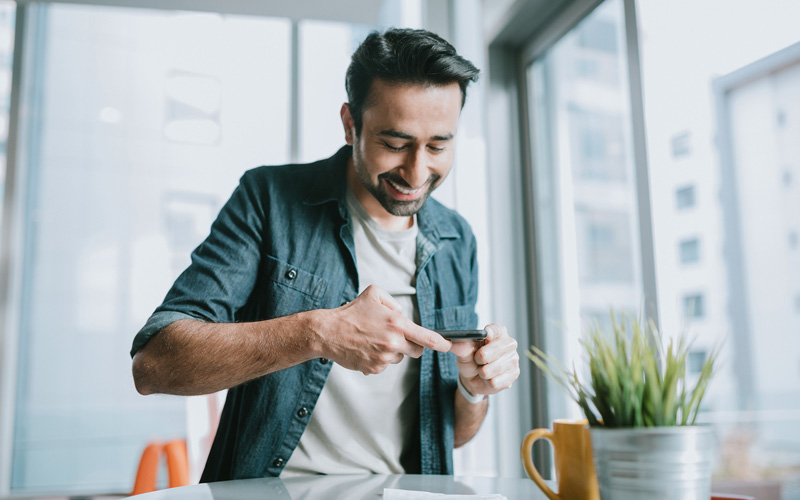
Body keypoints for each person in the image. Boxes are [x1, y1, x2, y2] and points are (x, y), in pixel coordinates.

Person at [130, 28, 520, 482]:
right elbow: (154, 364)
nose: (417, 172)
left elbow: (448, 436)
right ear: (350, 124)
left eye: (438, 146)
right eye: (395, 144)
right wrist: (318, 333)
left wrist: (475, 389)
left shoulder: (458, 239)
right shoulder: (268, 199)